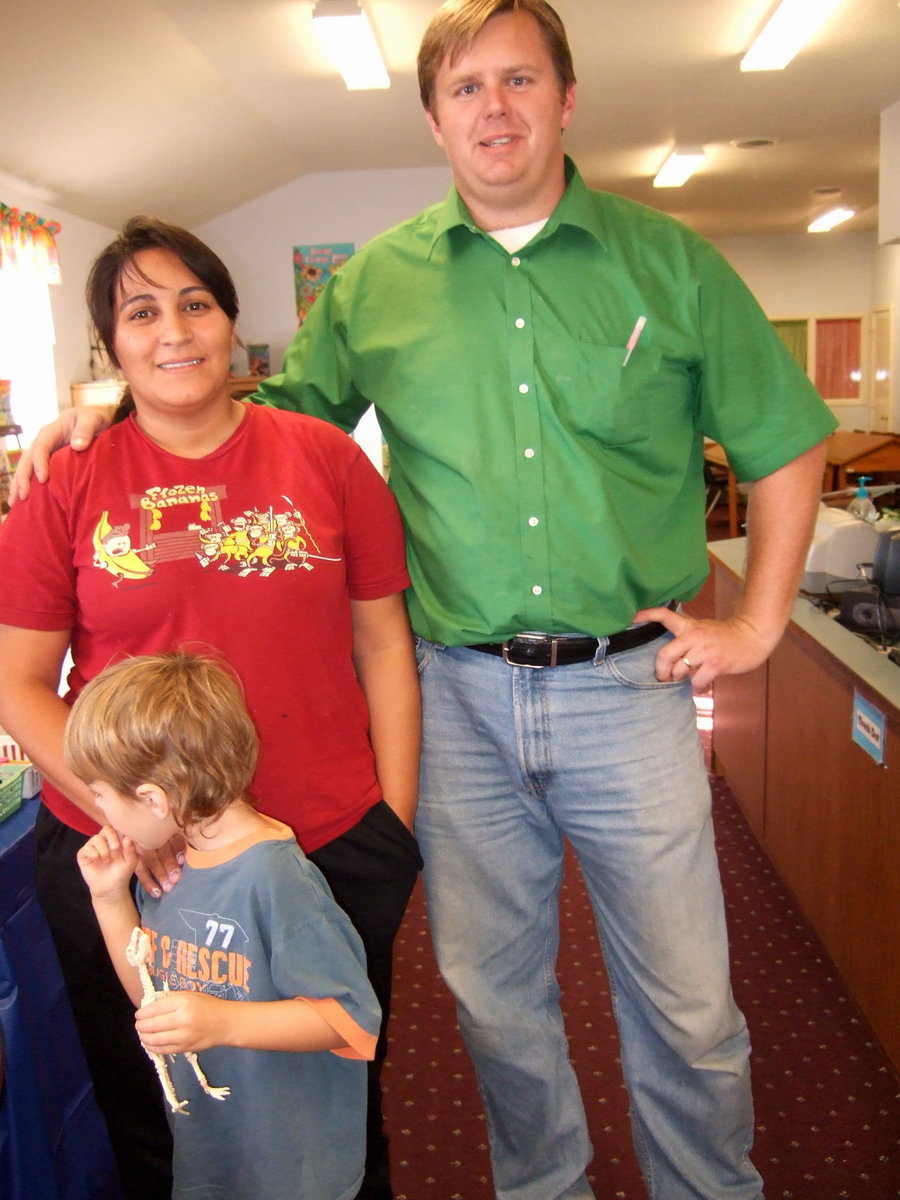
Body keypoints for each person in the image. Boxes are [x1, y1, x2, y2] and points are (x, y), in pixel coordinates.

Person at [13, 3, 840, 1198]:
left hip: (630, 685)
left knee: (688, 1001)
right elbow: (258, 412)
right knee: (495, 1003)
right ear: (434, 118)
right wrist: (100, 402)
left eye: (519, 81)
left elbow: (784, 442)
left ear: (567, 99)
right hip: (458, 692)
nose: (493, 109)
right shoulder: (376, 285)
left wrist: (759, 623)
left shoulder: (669, 263)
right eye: (465, 88)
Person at [0, 217, 420, 1200]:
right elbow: (18, 680)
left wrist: (392, 825)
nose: (175, 330)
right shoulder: (67, 481)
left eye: (197, 303)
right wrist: (126, 817)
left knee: (335, 1101)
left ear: (232, 323)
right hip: (131, 863)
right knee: (162, 1107)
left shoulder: (325, 459)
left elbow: (385, 645)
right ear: (112, 343)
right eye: (142, 311)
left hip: (320, 840)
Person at [70, 651, 381, 1200]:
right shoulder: (173, 860)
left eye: (99, 794)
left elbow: (351, 1023)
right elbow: (153, 999)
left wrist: (222, 1022)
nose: (96, 810)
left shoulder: (273, 876)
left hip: (290, 1163)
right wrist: (109, 898)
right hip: (214, 1144)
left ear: (153, 799)